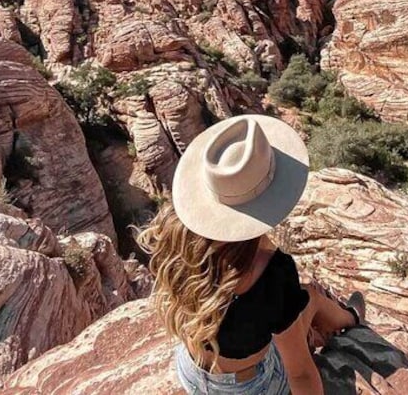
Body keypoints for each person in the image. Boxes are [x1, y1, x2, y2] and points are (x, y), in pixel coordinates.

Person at [138, 114, 365, 394]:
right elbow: (301, 373)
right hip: (250, 386)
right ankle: (353, 320)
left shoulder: (177, 231)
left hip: (191, 371)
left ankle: (344, 320)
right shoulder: (272, 271)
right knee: (309, 300)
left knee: (305, 299)